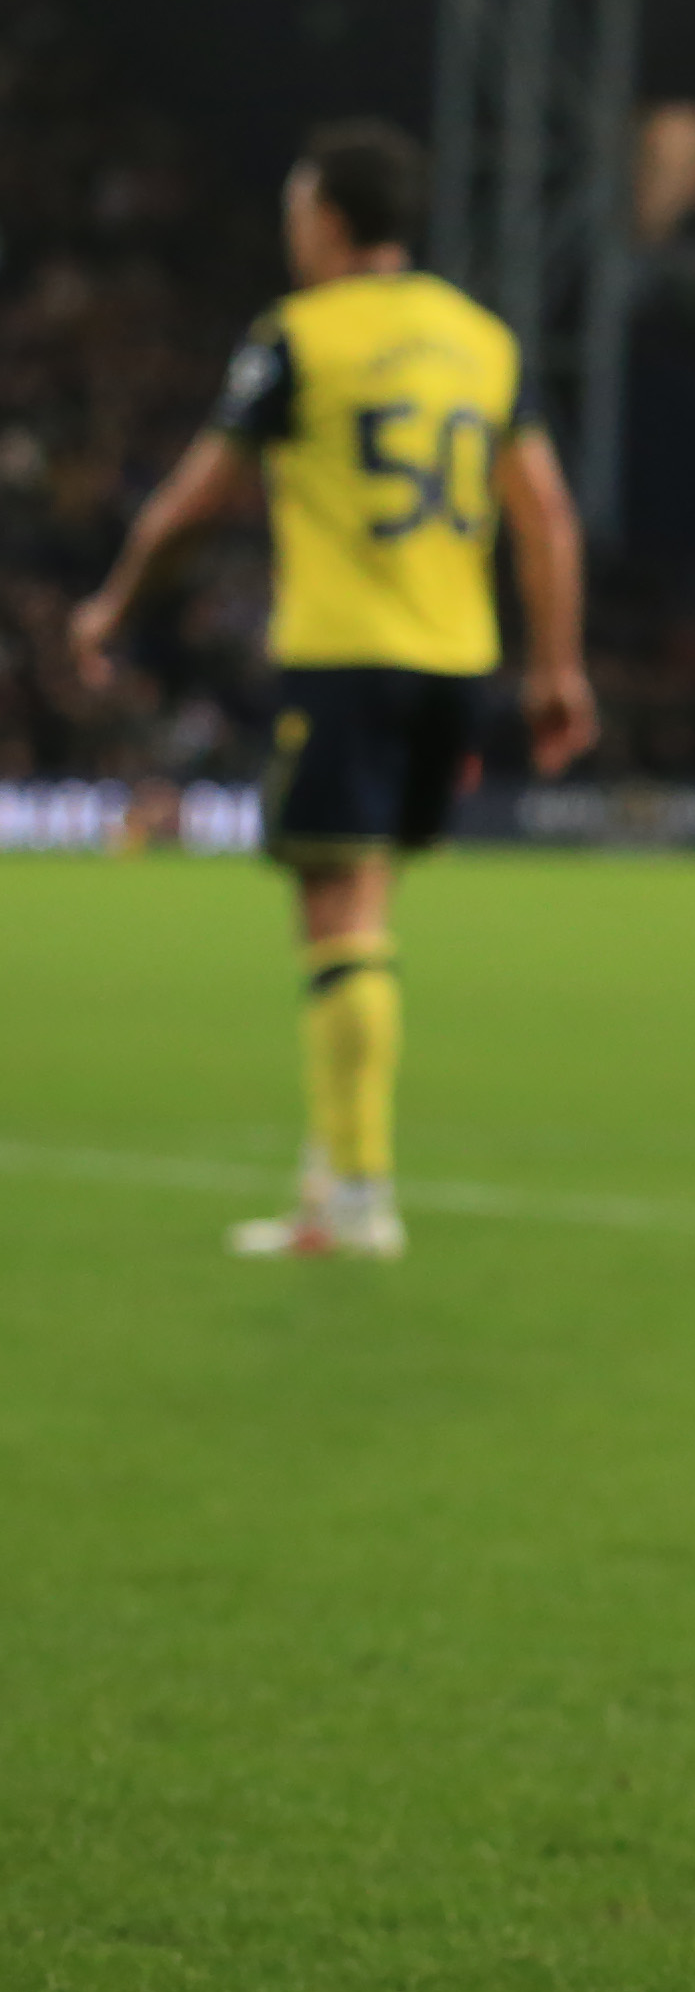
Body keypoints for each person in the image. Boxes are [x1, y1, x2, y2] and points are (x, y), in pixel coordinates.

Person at [66, 120, 595, 1257]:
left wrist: (111, 604)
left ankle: (354, 1194)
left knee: (335, 914)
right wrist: (556, 665)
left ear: (330, 220)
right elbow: (545, 512)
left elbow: (196, 501)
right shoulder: (481, 341)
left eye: (299, 211)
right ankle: (336, 1175)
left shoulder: (299, 338)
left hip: (349, 654)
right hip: (455, 659)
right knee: (371, 909)